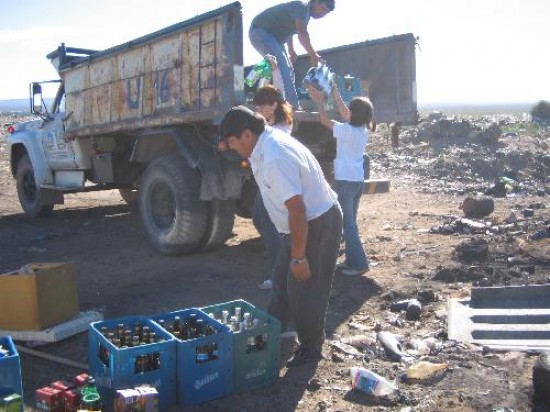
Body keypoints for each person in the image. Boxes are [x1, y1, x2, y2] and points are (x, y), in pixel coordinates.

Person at [218, 105, 342, 367]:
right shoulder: (262, 146)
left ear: (247, 134)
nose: (230, 147)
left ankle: (310, 350)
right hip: (299, 226)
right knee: (281, 283)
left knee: (306, 288)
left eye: (232, 141)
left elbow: (297, 210)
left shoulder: (274, 155)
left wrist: (299, 257)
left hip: (315, 223)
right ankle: (269, 337)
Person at [308, 81, 375, 276]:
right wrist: (336, 92)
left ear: (353, 114)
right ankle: (350, 260)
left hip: (345, 181)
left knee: (348, 223)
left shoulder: (346, 131)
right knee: (350, 221)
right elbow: (347, 113)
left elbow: (323, 120)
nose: (347, 112)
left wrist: (320, 102)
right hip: (356, 181)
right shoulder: (364, 130)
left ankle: (359, 263)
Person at [249, 0, 336, 110]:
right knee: (281, 66)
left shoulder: (305, 15)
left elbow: (290, 31)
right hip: (261, 31)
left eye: (326, 13)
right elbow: (302, 34)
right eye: (323, 9)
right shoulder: (302, 7)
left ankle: (252, 85)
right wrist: (313, 55)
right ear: (316, 2)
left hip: (274, 38)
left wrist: (291, 51)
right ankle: (292, 106)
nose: (322, 14)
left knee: (288, 69)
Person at [252, 84, 294, 290]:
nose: (258, 109)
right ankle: (282, 257)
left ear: (274, 105)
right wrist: (276, 69)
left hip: (274, 184)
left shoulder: (281, 127)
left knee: (270, 230)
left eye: (262, 105)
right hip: (265, 184)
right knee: (258, 219)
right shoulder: (270, 123)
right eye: (257, 105)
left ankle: (277, 276)